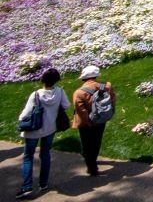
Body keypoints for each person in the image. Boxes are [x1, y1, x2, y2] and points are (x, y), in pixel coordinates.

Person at [17, 67, 70, 198]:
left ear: (43, 80)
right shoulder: (60, 91)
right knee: (45, 154)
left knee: (28, 156)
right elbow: (66, 105)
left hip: (34, 130)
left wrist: (21, 119)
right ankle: (43, 183)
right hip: (50, 129)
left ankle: (27, 186)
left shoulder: (36, 94)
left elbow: (25, 114)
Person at [73, 65, 116, 177]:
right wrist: (109, 113)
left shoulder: (79, 92)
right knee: (96, 142)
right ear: (96, 76)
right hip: (101, 119)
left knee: (86, 145)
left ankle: (92, 168)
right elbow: (112, 99)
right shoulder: (106, 86)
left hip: (86, 123)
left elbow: (80, 110)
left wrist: (88, 121)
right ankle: (93, 162)